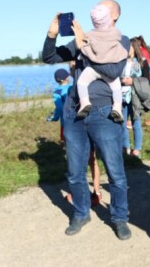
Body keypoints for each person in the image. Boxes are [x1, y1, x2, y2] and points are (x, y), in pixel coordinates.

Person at [42, 0, 131, 240]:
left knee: (115, 171)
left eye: (103, 8)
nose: (96, 10)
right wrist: (51, 36)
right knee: (74, 171)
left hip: (104, 113)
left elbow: (112, 71)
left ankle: (119, 217)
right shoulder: (84, 38)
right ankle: (81, 213)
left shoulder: (120, 40)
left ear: (114, 16)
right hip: (75, 112)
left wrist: (83, 47)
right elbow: (49, 57)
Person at [49, 67, 102, 206]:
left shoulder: (58, 92)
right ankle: (97, 192)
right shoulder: (77, 86)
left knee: (76, 161)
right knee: (93, 159)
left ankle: (78, 193)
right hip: (87, 123)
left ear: (57, 80)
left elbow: (59, 109)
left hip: (70, 126)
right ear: (68, 77)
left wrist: (53, 118)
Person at [73, 4, 128, 123]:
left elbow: (85, 46)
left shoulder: (90, 35)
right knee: (116, 87)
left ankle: (84, 102)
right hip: (109, 67)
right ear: (109, 19)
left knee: (82, 83)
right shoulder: (116, 34)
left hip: (92, 69)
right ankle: (117, 107)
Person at [121, 39, 143, 158]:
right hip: (122, 96)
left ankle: (137, 148)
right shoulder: (121, 63)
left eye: (128, 47)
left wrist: (132, 81)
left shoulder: (137, 63)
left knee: (136, 122)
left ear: (134, 49)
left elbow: (142, 79)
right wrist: (121, 80)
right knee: (122, 123)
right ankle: (125, 146)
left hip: (134, 97)